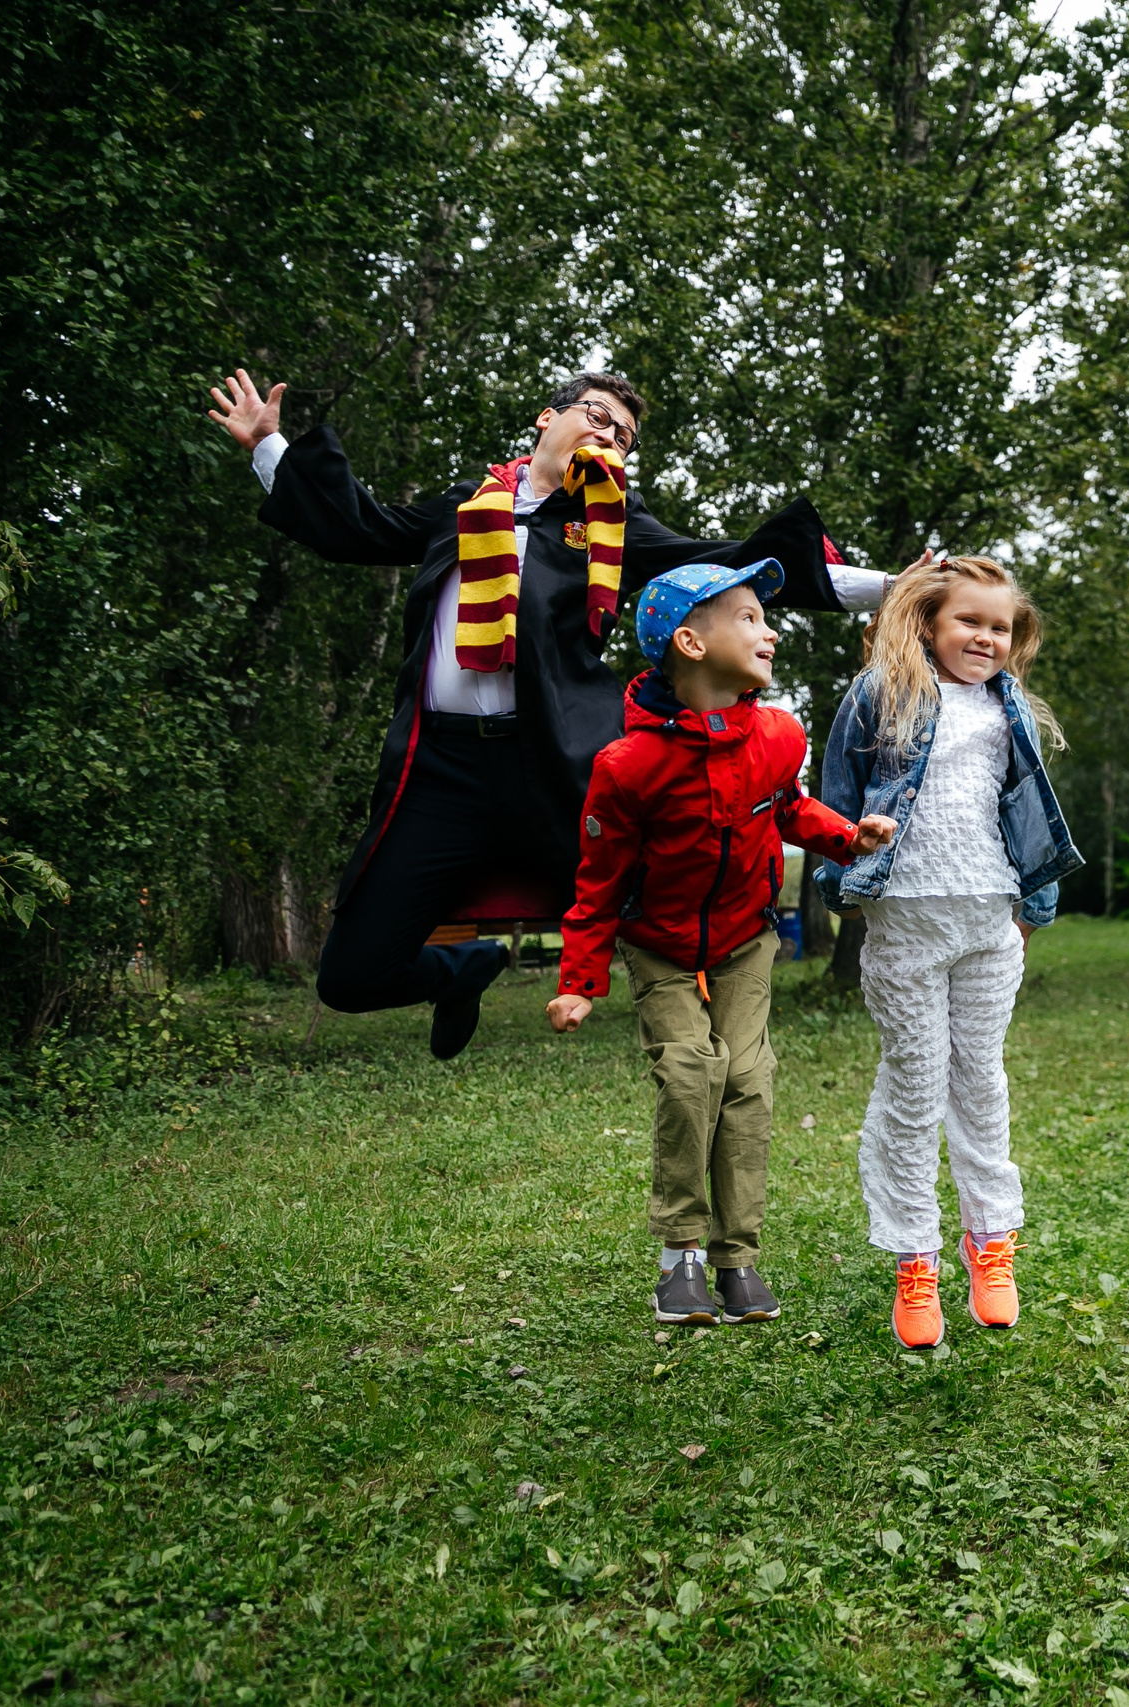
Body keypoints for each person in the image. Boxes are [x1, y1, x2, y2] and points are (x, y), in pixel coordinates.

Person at [205, 368, 891, 1058]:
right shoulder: (467, 506)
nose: (609, 437)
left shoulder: (613, 524)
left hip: (556, 762)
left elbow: (727, 561)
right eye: (596, 417)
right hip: (440, 767)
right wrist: (270, 444)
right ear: (546, 419)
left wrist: (892, 588)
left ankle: (709, 1039)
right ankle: (462, 970)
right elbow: (361, 528)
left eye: (623, 436)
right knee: (350, 975)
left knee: (658, 893)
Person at [544, 563, 897, 1327]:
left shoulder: (776, 736)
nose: (768, 629)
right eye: (747, 616)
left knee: (747, 1076)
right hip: (661, 944)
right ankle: (681, 1256)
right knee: (690, 1072)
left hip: (743, 938)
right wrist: (579, 981)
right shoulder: (627, 767)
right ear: (690, 641)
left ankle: (737, 1258)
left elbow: (791, 810)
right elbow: (598, 884)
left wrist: (846, 836)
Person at [815, 556, 1081, 1349]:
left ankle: (990, 1241)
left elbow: (1029, 811)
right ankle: (914, 1255)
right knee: (915, 1084)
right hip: (907, 922)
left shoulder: (1012, 711)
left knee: (982, 1081)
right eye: (969, 620)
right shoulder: (882, 693)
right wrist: (843, 876)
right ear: (929, 620)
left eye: (1000, 627)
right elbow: (837, 789)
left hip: (989, 922)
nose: (986, 637)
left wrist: (1030, 909)